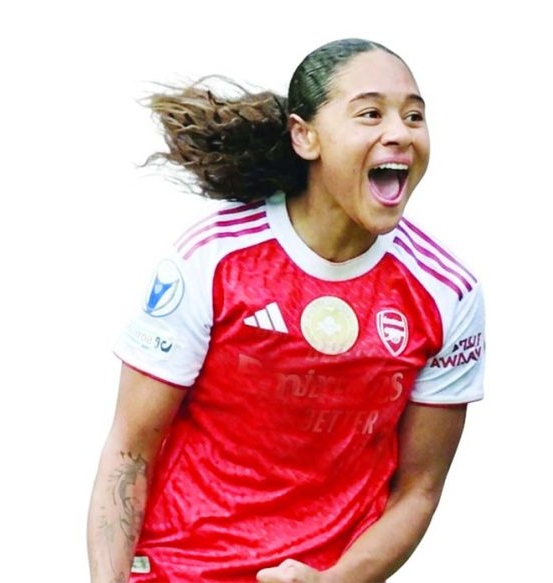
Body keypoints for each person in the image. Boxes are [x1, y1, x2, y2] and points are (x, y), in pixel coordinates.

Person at [87, 38, 485, 582]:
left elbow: (419, 488)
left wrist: (333, 581)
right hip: (175, 569)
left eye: (414, 116)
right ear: (305, 136)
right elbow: (131, 450)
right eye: (371, 114)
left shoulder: (446, 293)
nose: (400, 132)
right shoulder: (212, 257)